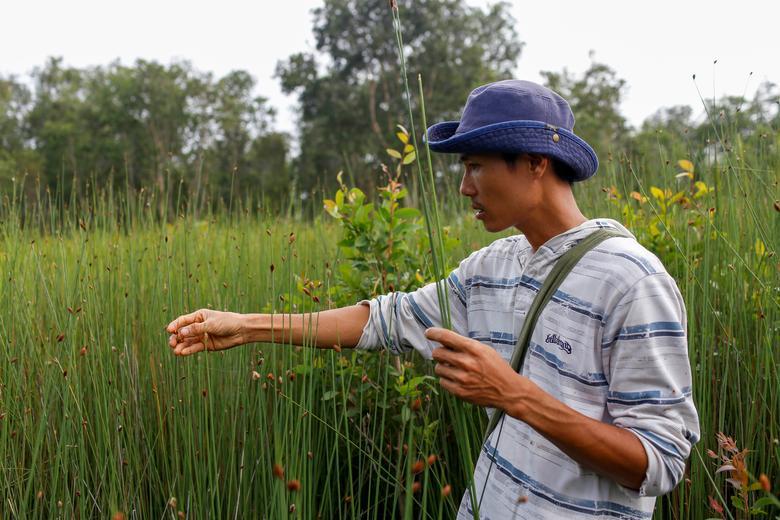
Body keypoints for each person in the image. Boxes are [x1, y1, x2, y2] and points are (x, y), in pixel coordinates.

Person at [167, 80, 700, 519]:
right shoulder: (494, 265)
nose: (465, 187)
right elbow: (386, 319)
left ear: (536, 163)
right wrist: (247, 326)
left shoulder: (632, 282)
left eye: (475, 166)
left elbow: (659, 461)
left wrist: (514, 395)